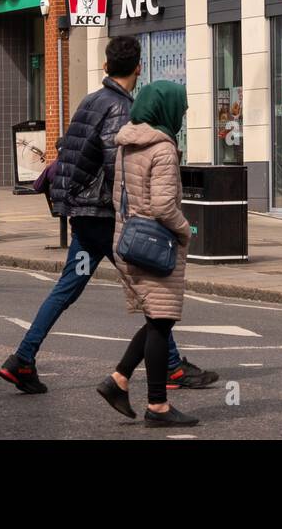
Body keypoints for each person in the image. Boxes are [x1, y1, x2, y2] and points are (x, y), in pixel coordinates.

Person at [0, 36, 216, 396]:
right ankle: (172, 369)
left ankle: (23, 358)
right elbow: (122, 170)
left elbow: (69, 152)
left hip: (85, 218)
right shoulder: (119, 108)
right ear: (139, 68)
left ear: (105, 66)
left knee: (68, 287)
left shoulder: (91, 101)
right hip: (106, 218)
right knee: (153, 288)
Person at [98, 81, 198, 427]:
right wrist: (185, 230)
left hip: (130, 241)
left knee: (157, 318)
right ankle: (157, 406)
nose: (182, 116)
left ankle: (119, 380)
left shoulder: (128, 143)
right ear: (166, 110)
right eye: (180, 109)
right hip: (156, 246)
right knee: (160, 322)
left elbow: (119, 198)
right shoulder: (163, 149)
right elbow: (163, 206)